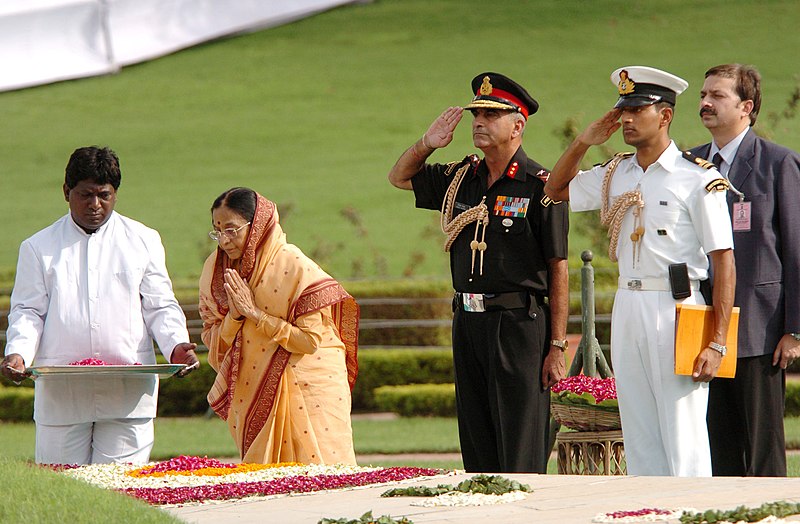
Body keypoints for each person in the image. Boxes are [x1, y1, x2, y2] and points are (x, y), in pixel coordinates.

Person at [544, 66, 736, 477]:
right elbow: (555, 191)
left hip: (678, 307)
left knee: (682, 429)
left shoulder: (696, 178)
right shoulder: (617, 172)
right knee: (638, 427)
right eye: (623, 110)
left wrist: (717, 342)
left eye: (637, 109)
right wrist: (583, 141)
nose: (626, 119)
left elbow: (724, 259)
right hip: (628, 304)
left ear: (664, 116)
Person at [387, 72, 569, 473]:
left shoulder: (541, 186)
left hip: (518, 324)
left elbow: (558, 266)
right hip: (468, 321)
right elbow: (399, 177)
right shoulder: (460, 177)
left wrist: (557, 346)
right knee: (476, 438)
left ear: (517, 125)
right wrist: (427, 144)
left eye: (491, 115)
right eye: (476, 115)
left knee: (519, 440)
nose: (479, 122)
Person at [1, 146, 199, 465]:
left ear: (116, 194)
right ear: (67, 192)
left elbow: (160, 305)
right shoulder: (38, 247)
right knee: (62, 495)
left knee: (120, 493)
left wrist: (175, 346)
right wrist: (18, 353)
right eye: (85, 194)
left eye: (104, 195)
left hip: (128, 394)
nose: (95, 205)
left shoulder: (143, 240)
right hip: (62, 397)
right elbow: (28, 311)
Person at [690, 63, 800, 477]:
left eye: (717, 96)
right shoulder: (690, 164)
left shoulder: (778, 164)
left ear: (746, 106)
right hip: (701, 328)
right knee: (715, 443)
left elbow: (796, 249)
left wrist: (795, 328)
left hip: (759, 328)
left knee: (762, 449)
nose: (705, 103)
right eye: (703, 95)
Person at [199, 187, 359, 464]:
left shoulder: (294, 266)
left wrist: (255, 314)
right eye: (217, 230)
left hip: (310, 384)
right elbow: (213, 337)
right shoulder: (216, 270)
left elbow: (309, 341)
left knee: (320, 476)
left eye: (231, 230)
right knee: (266, 484)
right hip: (253, 388)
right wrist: (235, 317)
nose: (224, 240)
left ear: (257, 225)